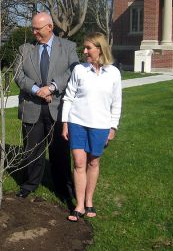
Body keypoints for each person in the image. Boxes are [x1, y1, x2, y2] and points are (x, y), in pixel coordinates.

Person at [14, 12, 79, 200]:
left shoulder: (68, 47)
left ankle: (63, 187)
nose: (34, 32)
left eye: (37, 28)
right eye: (32, 28)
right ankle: (30, 184)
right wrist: (36, 90)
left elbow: (73, 71)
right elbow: (18, 75)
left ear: (49, 27)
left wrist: (51, 87)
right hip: (32, 105)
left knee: (59, 151)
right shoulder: (25, 49)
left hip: (58, 107)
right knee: (31, 150)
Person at [61, 32, 122, 222]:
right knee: (79, 163)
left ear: (100, 49)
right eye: (84, 47)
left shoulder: (114, 73)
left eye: (88, 48)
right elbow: (69, 97)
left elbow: (116, 102)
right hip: (77, 122)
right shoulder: (79, 70)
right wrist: (65, 123)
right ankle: (79, 205)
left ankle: (89, 201)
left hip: (100, 126)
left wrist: (113, 127)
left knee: (93, 163)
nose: (84, 51)